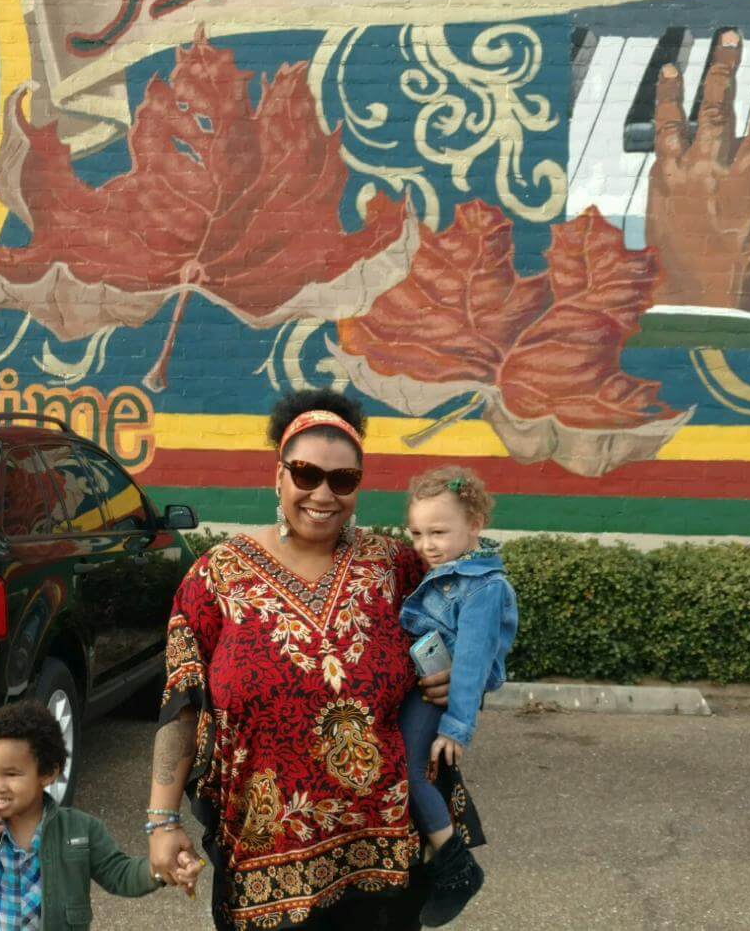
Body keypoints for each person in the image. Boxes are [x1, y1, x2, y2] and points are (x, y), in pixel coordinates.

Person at [145, 389, 483, 930]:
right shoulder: (214, 579)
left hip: (385, 857)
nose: (323, 493)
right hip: (261, 864)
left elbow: (474, 624)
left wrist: (461, 679)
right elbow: (182, 705)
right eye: (305, 474)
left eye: (343, 480)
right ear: (277, 476)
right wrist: (161, 820)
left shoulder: (395, 567)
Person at [398, 466, 518, 926]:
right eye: (417, 532)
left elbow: (470, 666)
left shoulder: (484, 588)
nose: (426, 544)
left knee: (410, 772)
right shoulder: (446, 571)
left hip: (439, 701)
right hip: (422, 689)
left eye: (439, 532)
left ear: (475, 525)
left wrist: (456, 728)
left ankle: (454, 864)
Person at [0, 701, 163, 930]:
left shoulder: (80, 829)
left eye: (11, 774)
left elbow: (120, 874)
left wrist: (160, 869)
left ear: (48, 773)